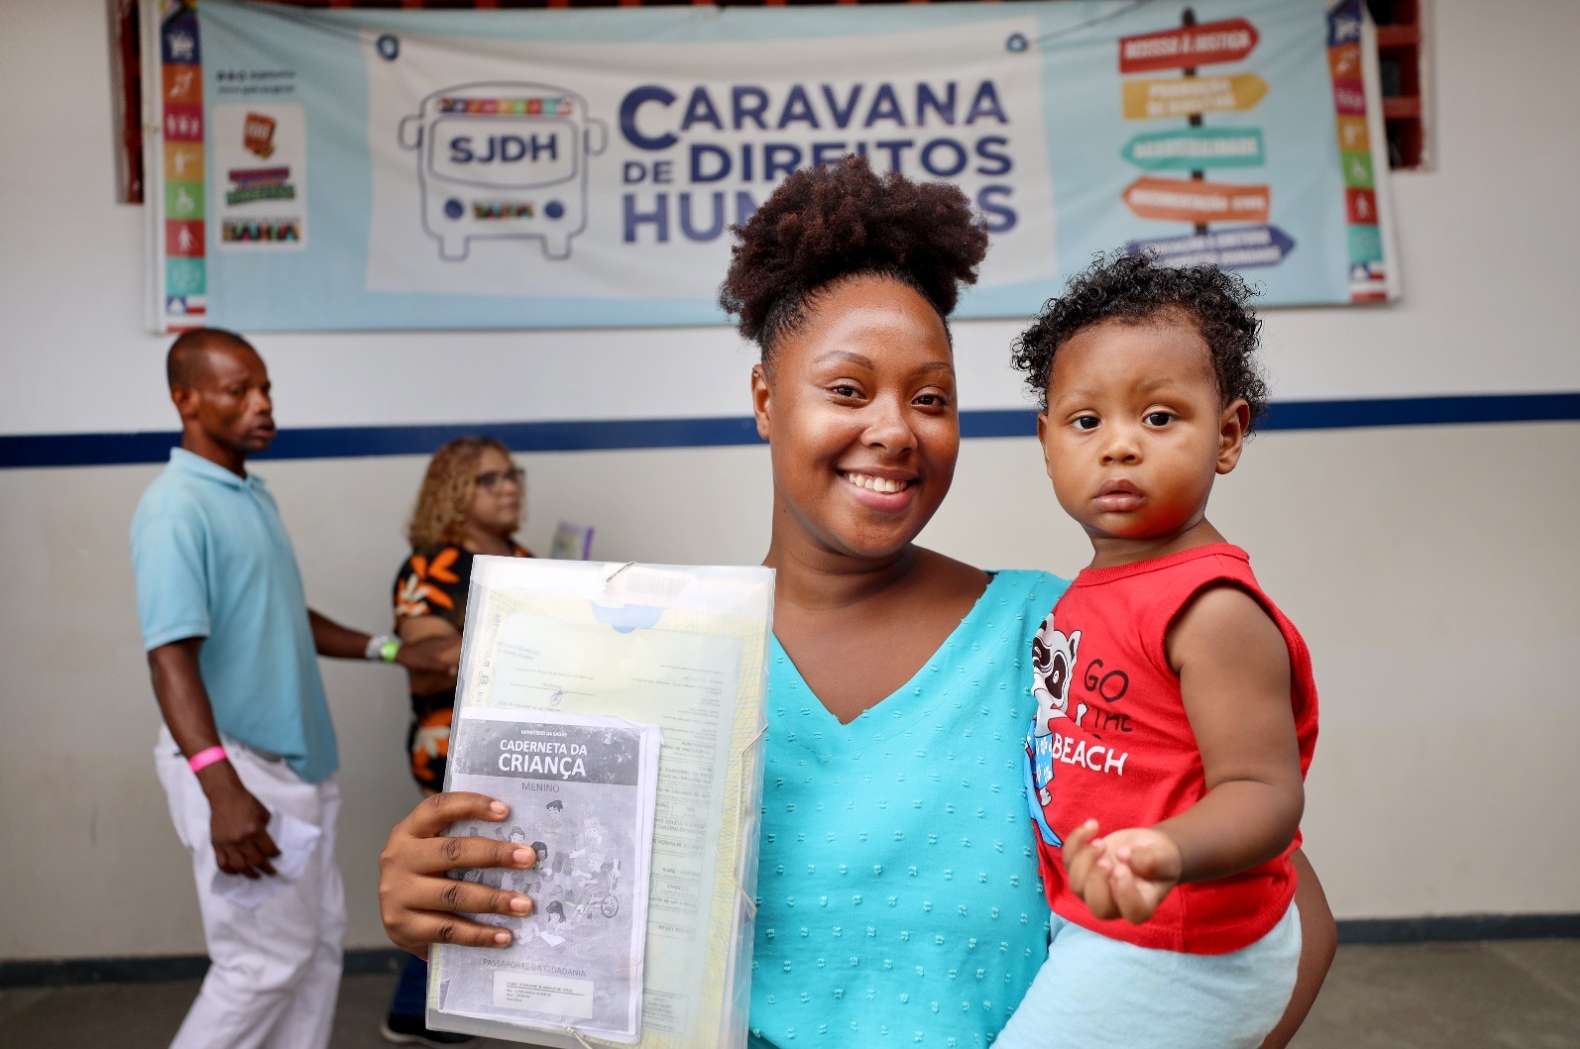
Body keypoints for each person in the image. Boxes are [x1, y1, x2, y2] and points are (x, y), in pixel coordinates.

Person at [372, 158, 1335, 1047]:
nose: (894, 430)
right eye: (847, 388)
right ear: (764, 397)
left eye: (932, 398)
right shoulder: (652, 664)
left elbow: (1292, 918)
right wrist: (451, 915)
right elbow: (588, 955)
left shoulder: (1062, 636)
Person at [995, 254, 1317, 1048]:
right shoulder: (1087, 592)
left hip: (1182, 947)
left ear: (1228, 435)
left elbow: (1266, 796)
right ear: (1046, 444)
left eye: (1160, 417)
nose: (1119, 447)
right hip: (1111, 923)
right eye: (1085, 421)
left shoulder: (1209, 608)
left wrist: (1164, 850)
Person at [130, 328, 459, 1049]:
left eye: (266, 388)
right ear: (183, 399)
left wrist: (394, 649)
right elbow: (170, 658)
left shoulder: (249, 494)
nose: (262, 404)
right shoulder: (174, 509)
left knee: (312, 955)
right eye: (238, 389)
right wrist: (219, 787)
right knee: (260, 965)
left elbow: (283, 614)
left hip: (298, 765)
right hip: (240, 767)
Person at [383, 436, 530, 1046]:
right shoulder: (432, 566)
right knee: (458, 869)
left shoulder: (519, 554)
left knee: (487, 869)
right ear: (454, 493)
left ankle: (425, 1005)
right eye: (490, 479)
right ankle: (422, 1008)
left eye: (512, 474)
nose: (510, 487)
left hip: (510, 737)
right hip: (452, 741)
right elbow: (426, 657)